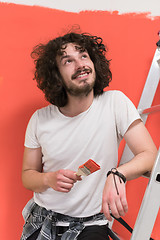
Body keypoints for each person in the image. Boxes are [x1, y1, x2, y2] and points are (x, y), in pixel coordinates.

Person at [21, 31, 157, 240]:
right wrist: (48, 179)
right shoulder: (39, 119)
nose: (80, 64)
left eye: (84, 56)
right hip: (43, 219)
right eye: (68, 61)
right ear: (56, 75)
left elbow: (149, 156)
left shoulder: (115, 103)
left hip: (91, 224)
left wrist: (117, 174)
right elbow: (28, 175)